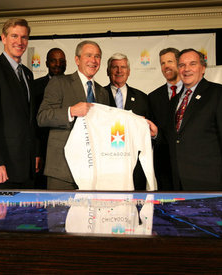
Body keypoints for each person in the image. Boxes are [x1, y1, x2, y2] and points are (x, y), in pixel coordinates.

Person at [163, 48, 222, 191]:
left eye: (192, 64)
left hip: (210, 181)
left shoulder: (220, 94)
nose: (186, 69)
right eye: (182, 65)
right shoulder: (174, 101)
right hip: (179, 182)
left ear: (203, 68)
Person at [0, 18, 40, 189]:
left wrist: (34, 153)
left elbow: (29, 120)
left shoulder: (27, 74)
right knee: (2, 216)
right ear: (3, 38)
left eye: (24, 37)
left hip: (26, 168)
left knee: (27, 216)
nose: (19, 42)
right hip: (2, 170)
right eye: (14, 36)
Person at [37, 40, 110, 190]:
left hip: (94, 173)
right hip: (63, 172)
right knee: (59, 213)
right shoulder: (59, 83)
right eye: (88, 55)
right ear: (77, 60)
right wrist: (70, 111)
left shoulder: (103, 93)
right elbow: (42, 117)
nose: (93, 60)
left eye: (97, 56)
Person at [104, 53, 150, 190]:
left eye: (123, 67)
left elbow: (149, 133)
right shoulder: (98, 95)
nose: (119, 71)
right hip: (106, 165)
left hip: (134, 166)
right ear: (108, 71)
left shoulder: (143, 98)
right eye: (115, 67)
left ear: (128, 72)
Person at [32, 48, 67, 189]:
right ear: (46, 63)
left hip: (65, 150)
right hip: (42, 148)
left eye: (61, 61)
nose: (57, 64)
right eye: (53, 60)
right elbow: (33, 122)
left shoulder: (73, 84)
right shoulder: (35, 86)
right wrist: (36, 152)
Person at [148, 48, 182, 190]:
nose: (166, 66)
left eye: (170, 61)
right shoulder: (152, 97)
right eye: (162, 63)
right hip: (163, 166)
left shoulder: (192, 93)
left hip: (191, 165)